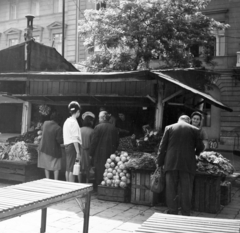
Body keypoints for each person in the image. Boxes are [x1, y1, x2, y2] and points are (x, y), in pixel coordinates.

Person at [157, 115, 204, 216]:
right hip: (187, 164)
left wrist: (159, 163)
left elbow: (162, 147)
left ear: (178, 120)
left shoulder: (169, 128)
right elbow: (200, 147)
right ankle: (185, 212)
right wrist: (195, 153)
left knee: (170, 188)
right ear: (188, 121)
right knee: (186, 189)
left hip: (171, 163)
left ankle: (172, 211)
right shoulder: (195, 129)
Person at [89, 111, 119, 189]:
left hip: (99, 154)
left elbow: (93, 142)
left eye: (99, 117)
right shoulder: (114, 128)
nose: (98, 119)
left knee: (99, 171)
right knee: (109, 171)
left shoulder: (97, 127)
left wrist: (90, 154)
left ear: (103, 117)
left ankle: (98, 188)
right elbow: (117, 142)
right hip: (110, 154)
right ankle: (107, 187)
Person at [38, 111, 63, 180]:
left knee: (46, 166)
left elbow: (42, 131)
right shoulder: (58, 128)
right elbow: (59, 141)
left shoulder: (45, 123)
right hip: (53, 150)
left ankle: (47, 179)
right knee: (56, 167)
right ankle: (55, 180)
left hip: (44, 148)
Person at [63, 101, 82, 182]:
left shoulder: (67, 121)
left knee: (68, 168)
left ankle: (68, 185)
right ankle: (71, 187)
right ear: (77, 111)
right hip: (72, 146)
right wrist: (78, 152)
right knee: (72, 169)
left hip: (67, 146)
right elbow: (74, 138)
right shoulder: (74, 122)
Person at [79, 111, 95, 183]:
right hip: (88, 152)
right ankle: (87, 183)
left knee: (79, 168)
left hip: (80, 151)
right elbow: (93, 144)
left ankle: (79, 182)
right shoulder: (92, 131)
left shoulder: (79, 129)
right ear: (90, 122)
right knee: (88, 168)